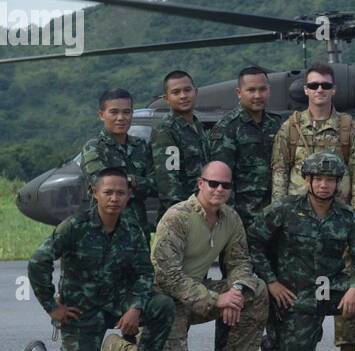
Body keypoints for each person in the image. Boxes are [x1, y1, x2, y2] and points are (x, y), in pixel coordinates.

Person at [14, 167, 174, 351]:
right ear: (94, 193)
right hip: (81, 310)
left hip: (118, 302)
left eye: (121, 193)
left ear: (129, 196)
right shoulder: (75, 226)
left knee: (162, 305)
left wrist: (135, 307)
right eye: (108, 192)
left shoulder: (132, 228)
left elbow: (144, 272)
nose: (114, 198)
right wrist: (52, 306)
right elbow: (38, 262)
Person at [248, 152, 355, 351]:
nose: (323, 185)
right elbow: (253, 242)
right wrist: (271, 281)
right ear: (308, 180)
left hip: (331, 288)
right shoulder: (284, 209)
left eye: (330, 179)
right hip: (294, 294)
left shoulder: (347, 216)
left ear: (338, 183)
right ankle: (271, 346)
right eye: (318, 179)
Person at [127, 161, 270, 351]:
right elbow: (167, 276)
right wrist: (216, 299)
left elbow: (240, 261)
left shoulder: (231, 218)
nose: (219, 190)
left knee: (257, 289)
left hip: (197, 294)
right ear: (200, 184)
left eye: (225, 185)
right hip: (166, 303)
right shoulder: (178, 217)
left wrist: (235, 291)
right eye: (213, 184)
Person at [269, 62, 355, 351]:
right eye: (313, 86)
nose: (319, 91)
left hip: (338, 220)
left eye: (325, 86)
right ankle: (298, 345)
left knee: (348, 279)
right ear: (305, 90)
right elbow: (279, 173)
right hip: (298, 222)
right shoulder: (290, 128)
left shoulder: (347, 127)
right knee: (300, 286)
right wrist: (278, 220)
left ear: (333, 89)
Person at [210, 65, 285, 228]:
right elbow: (222, 180)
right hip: (244, 220)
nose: (257, 95)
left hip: (276, 216)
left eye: (262, 89)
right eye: (251, 90)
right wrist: (230, 222)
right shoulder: (227, 128)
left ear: (269, 91)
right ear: (239, 93)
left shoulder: (278, 125)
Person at [78, 88, 154, 243]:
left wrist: (128, 181)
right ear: (101, 115)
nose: (121, 118)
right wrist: (136, 182)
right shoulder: (93, 148)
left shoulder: (141, 146)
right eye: (114, 112)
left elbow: (156, 185)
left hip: (138, 229)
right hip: (106, 231)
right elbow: (100, 185)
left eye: (126, 112)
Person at [151, 69, 211, 214]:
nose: (183, 96)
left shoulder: (198, 126)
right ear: (166, 98)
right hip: (184, 214)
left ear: (195, 92)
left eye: (187, 90)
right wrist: (182, 216)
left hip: (205, 208)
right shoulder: (166, 130)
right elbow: (168, 182)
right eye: (176, 92)